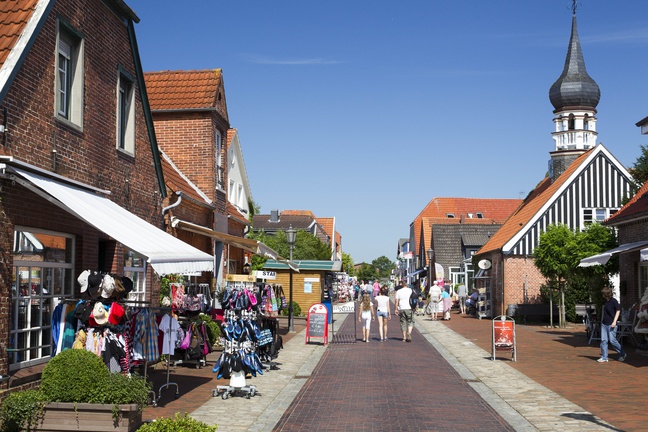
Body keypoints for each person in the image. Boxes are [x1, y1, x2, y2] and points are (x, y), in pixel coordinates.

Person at [598, 286, 627, 363]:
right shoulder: (606, 302)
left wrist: (614, 322)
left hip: (611, 324)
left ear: (606, 294)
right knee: (604, 340)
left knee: (612, 340)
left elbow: (618, 311)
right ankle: (604, 357)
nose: (602, 295)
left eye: (603, 294)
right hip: (604, 324)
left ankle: (622, 353)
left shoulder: (614, 301)